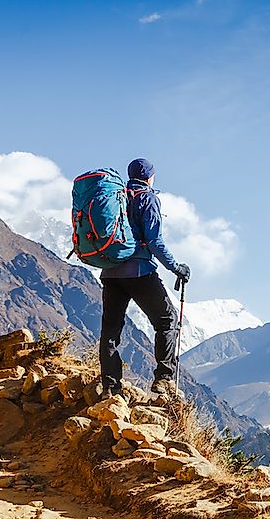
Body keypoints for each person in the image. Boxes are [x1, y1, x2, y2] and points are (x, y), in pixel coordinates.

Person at [98, 157, 191, 397]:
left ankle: (110, 386)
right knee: (166, 320)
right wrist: (176, 267)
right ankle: (163, 379)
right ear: (150, 177)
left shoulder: (115, 198)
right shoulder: (147, 198)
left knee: (110, 332)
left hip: (110, 273)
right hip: (139, 272)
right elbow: (154, 241)